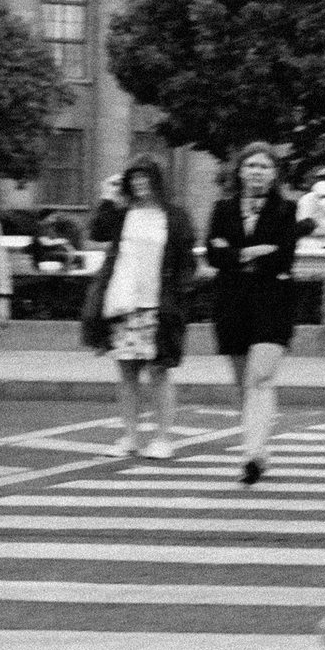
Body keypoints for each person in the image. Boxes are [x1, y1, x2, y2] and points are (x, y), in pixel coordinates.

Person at [81, 155, 197, 461]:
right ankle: (130, 436)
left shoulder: (174, 216)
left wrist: (181, 296)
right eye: (134, 178)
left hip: (158, 305)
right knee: (127, 372)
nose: (139, 183)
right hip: (124, 302)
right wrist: (107, 197)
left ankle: (162, 437)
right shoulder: (122, 214)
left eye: (145, 177)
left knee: (159, 371)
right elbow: (96, 233)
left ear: (156, 180)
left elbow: (187, 261)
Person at [204, 142, 302, 487]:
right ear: (240, 171)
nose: (257, 172)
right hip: (231, 302)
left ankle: (251, 453)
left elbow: (284, 257)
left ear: (274, 173)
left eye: (264, 166)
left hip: (273, 302)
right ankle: (259, 450)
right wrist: (254, 252)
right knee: (244, 383)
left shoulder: (287, 210)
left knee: (260, 377)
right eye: (251, 165)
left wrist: (235, 253)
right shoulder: (222, 208)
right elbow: (214, 256)